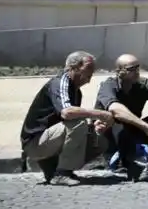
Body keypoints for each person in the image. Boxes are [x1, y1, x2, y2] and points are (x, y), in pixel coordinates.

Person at [20, 51, 113, 185]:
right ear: (73, 68)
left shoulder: (76, 91)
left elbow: (69, 122)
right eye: (88, 68)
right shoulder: (60, 83)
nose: (91, 73)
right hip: (35, 143)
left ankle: (55, 169)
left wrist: (94, 126)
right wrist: (99, 114)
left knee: (99, 140)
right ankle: (62, 173)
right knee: (79, 124)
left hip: (50, 138)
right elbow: (67, 113)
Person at [94, 54, 148, 180]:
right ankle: (124, 163)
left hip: (135, 129)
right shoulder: (108, 86)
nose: (136, 72)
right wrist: (145, 127)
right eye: (131, 69)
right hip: (111, 132)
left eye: (138, 68)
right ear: (119, 71)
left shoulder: (142, 84)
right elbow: (116, 109)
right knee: (118, 123)